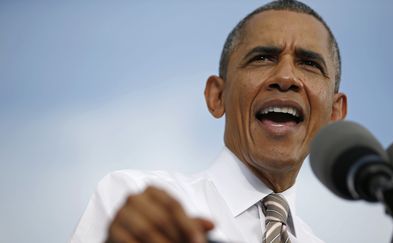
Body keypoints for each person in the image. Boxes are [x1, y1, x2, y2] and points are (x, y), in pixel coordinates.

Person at [71, 0, 347, 242]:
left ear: (335, 114)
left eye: (310, 64)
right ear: (217, 96)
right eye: (262, 58)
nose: (286, 77)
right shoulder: (136, 204)